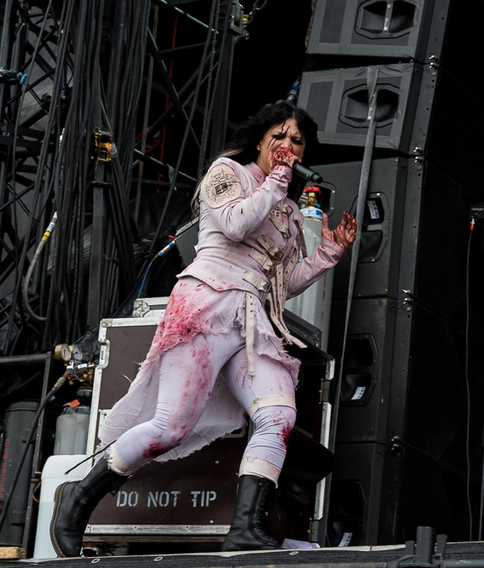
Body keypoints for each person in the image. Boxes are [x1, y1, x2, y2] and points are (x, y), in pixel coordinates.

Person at [49, 101, 357, 556]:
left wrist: (326, 255)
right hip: (207, 304)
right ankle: (79, 497)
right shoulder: (227, 172)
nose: (288, 147)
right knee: (170, 427)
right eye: (280, 136)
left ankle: (245, 526)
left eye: (297, 141)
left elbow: (282, 282)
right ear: (260, 139)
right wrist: (274, 182)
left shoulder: (290, 213)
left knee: (278, 415)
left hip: (252, 322)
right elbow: (233, 225)